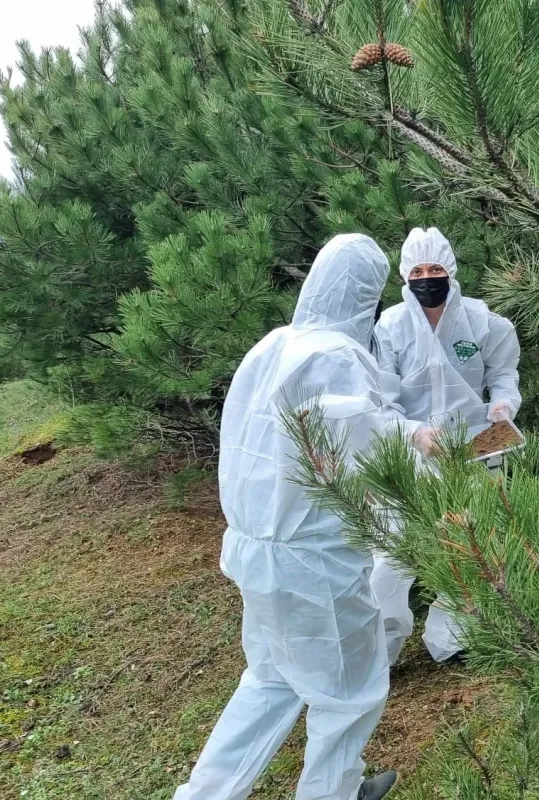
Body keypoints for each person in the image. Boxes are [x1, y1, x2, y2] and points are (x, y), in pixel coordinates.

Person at [174, 234, 419, 800]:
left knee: (270, 679)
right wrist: (420, 438)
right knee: (349, 692)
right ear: (366, 296)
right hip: (313, 559)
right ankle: (335, 792)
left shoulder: (271, 346)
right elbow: (357, 435)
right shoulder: (335, 355)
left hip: (252, 547)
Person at [370, 227, 521, 664]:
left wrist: (503, 406)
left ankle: (455, 640)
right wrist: (412, 433)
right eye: (417, 270)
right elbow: (382, 399)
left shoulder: (483, 321)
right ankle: (379, 653)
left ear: (450, 271)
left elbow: (503, 375)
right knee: (391, 549)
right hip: (410, 452)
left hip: (473, 447)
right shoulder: (391, 327)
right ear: (405, 275)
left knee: (470, 539)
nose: (426, 278)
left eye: (435, 268)